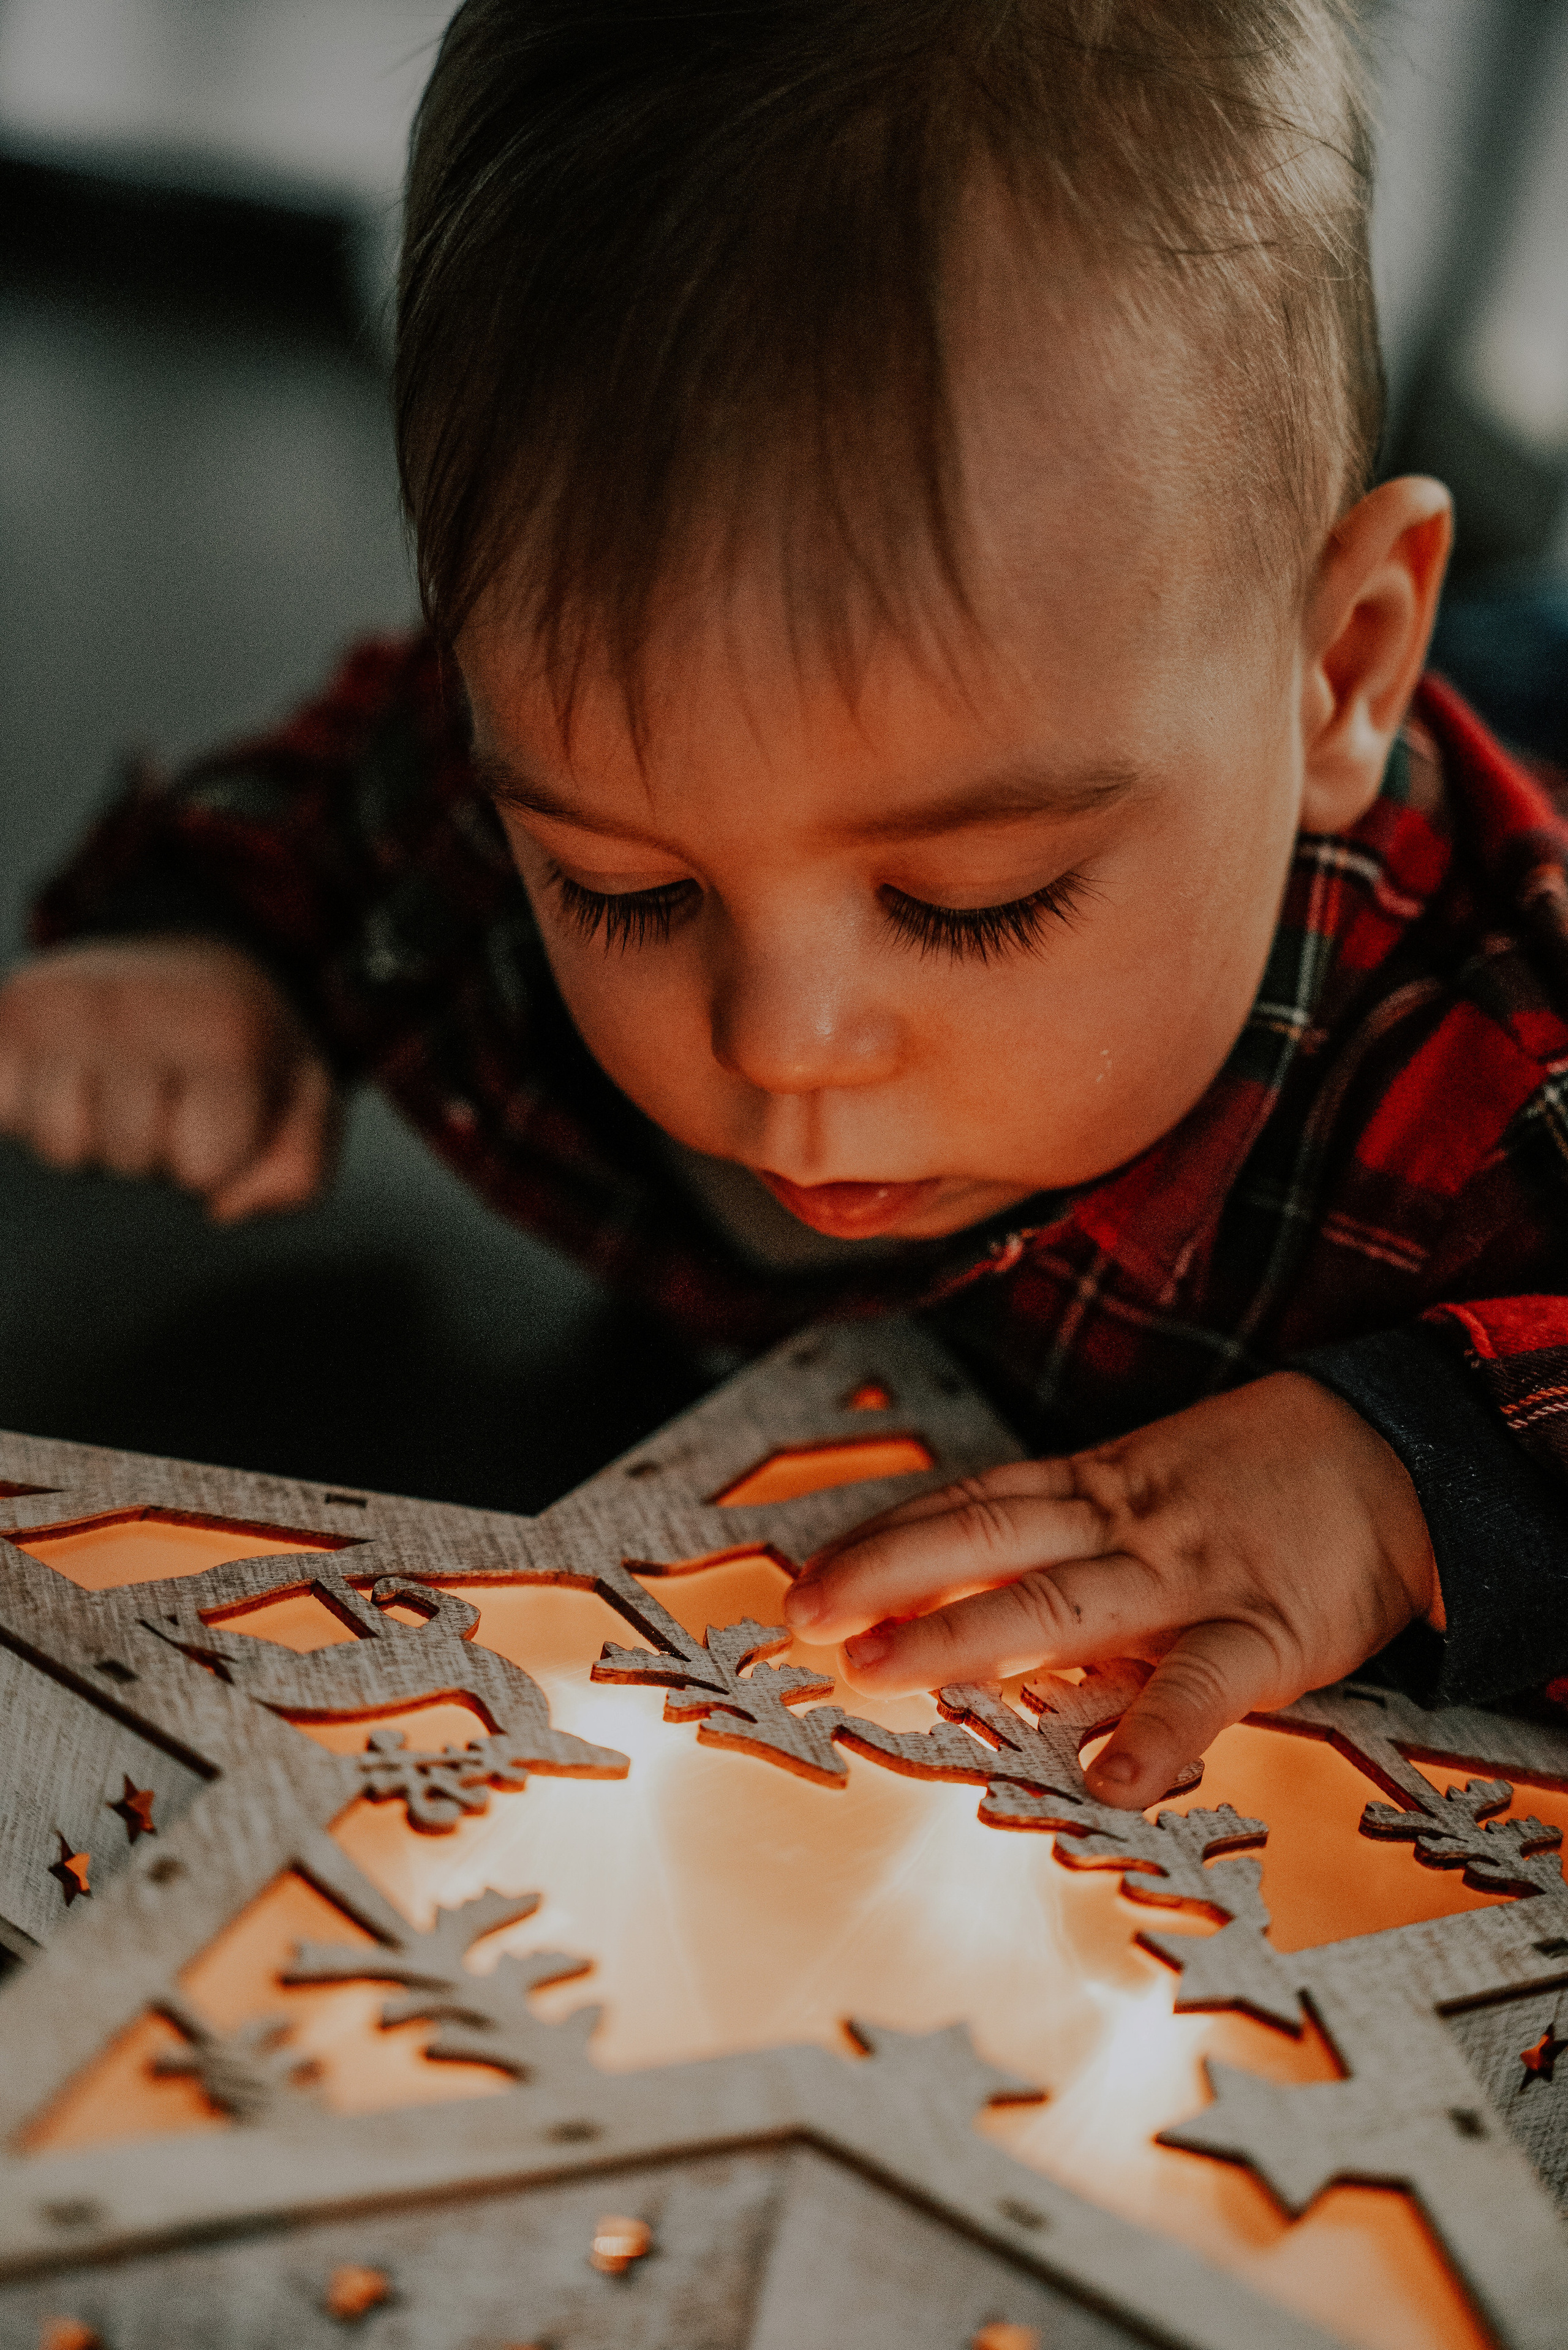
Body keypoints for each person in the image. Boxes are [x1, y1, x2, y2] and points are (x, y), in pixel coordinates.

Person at [3, 0, 1566, 1809]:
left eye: (972, 903)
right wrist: (201, 947)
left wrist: (1407, 1481)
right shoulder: (537, 779)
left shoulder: (1489, 1089)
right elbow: (349, 790)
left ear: (1341, 668)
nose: (779, 1042)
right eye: (629, 888)